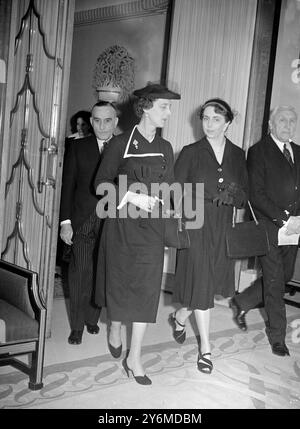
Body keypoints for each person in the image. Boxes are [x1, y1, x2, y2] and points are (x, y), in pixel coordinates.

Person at [94, 83, 180, 385]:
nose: (168, 114)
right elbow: (101, 183)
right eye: (164, 107)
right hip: (122, 226)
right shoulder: (120, 144)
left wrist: (171, 208)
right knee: (120, 284)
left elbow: (169, 188)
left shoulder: (166, 147)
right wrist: (131, 195)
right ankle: (115, 325)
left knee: (146, 289)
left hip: (152, 229)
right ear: (145, 107)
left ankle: (135, 358)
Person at [170, 98, 248, 374]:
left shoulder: (238, 155)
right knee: (202, 282)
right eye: (205, 118)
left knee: (208, 284)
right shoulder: (191, 152)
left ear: (228, 123)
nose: (209, 124)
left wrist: (234, 195)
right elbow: (175, 191)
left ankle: (181, 315)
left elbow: (243, 197)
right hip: (196, 225)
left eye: (216, 119)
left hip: (222, 228)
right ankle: (205, 348)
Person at [230, 105, 300, 357]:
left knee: (284, 275)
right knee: (274, 283)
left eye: (292, 120)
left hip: (294, 229)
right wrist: (284, 219)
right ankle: (277, 337)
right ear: (271, 124)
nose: (288, 125)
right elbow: (256, 194)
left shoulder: (299, 152)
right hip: (270, 227)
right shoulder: (259, 151)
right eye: (282, 120)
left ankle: (243, 301)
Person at [60, 101, 119, 345]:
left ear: (115, 122)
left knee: (102, 272)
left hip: (112, 221)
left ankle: (92, 318)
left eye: (107, 120)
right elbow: (68, 186)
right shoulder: (77, 147)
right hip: (83, 220)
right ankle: (76, 326)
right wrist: (65, 222)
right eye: (97, 120)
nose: (102, 125)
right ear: (90, 121)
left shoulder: (124, 148)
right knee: (80, 273)